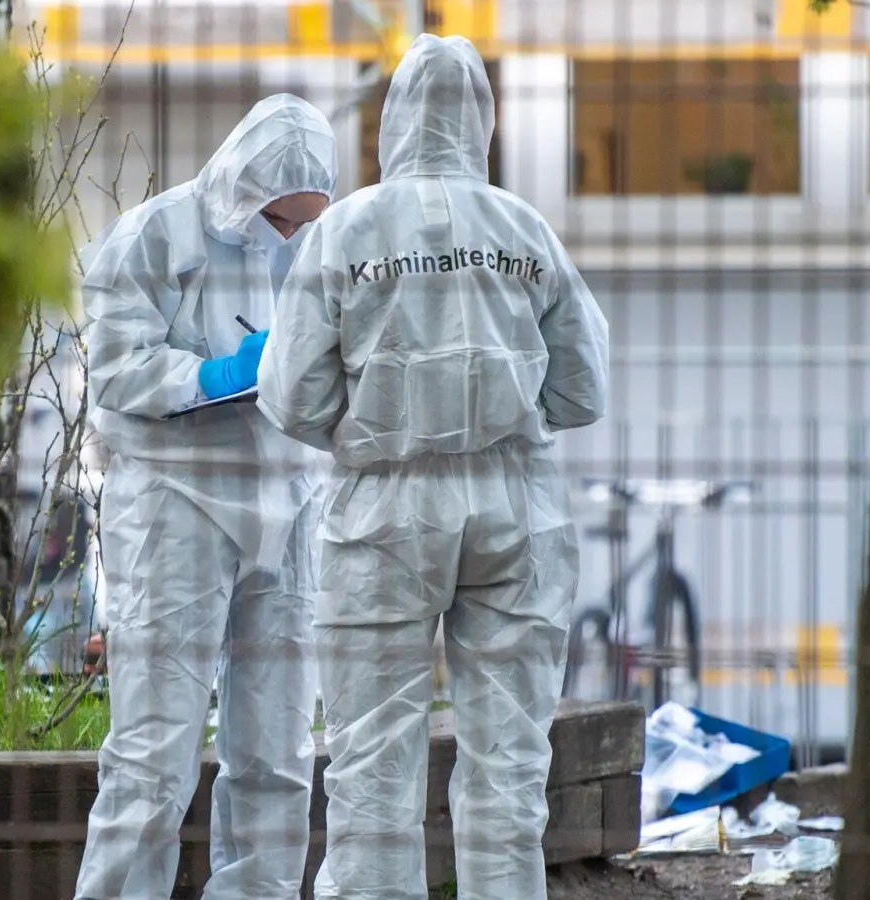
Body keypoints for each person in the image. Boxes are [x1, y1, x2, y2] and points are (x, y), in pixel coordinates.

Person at [257, 35, 610, 900]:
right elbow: (583, 390)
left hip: (384, 508)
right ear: (484, 121)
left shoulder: (347, 229)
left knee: (374, 763)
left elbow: (291, 397)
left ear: (395, 119)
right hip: (516, 505)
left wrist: (379, 427)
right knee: (510, 766)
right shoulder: (525, 229)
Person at [74, 93, 337, 900]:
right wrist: (212, 376)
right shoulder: (156, 236)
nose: (287, 236)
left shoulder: (313, 251)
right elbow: (116, 366)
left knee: (279, 751)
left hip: (289, 501)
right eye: (280, 219)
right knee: (153, 752)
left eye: (301, 224)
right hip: (175, 503)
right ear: (245, 189)